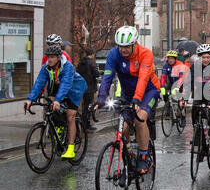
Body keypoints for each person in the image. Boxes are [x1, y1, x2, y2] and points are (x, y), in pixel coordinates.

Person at [96, 26, 160, 175]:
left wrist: (137, 100)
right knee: (122, 127)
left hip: (149, 91)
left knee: (139, 119)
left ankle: (143, 156)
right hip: (128, 93)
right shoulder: (114, 54)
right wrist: (100, 98)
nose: (123, 50)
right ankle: (129, 152)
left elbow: (143, 78)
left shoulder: (145, 54)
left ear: (134, 44)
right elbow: (107, 75)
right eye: (120, 46)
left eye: (126, 47)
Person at [25, 46, 87, 159]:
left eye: (52, 57)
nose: (50, 60)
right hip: (58, 89)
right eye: (48, 57)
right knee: (51, 107)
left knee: (70, 117)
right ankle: (59, 128)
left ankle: (71, 148)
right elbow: (39, 83)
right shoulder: (46, 67)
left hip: (74, 89)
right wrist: (30, 99)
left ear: (58, 57)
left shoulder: (68, 66)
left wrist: (58, 100)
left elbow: (66, 85)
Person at [182, 44, 210, 165]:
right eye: (203, 57)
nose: (205, 59)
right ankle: (203, 147)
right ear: (199, 57)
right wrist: (185, 98)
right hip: (200, 96)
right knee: (197, 123)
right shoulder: (194, 67)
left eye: (207, 57)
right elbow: (188, 83)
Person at [77, 48, 100, 132]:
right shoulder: (91, 63)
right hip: (90, 88)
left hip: (82, 87)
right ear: (92, 54)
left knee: (84, 107)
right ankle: (86, 125)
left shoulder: (80, 63)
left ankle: (84, 124)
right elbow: (96, 74)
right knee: (88, 107)